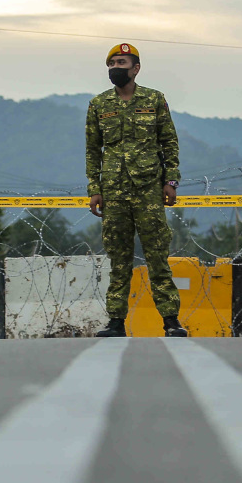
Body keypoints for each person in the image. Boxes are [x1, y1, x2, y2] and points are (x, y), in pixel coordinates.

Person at [86, 43, 188, 337]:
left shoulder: (154, 99)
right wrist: (95, 188)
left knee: (157, 257)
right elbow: (93, 151)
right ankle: (116, 322)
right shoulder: (98, 105)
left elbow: (169, 142)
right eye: (112, 63)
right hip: (114, 192)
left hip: (148, 191)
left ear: (136, 68)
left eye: (121, 62)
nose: (115, 68)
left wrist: (171, 181)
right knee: (119, 260)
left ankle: (171, 322)